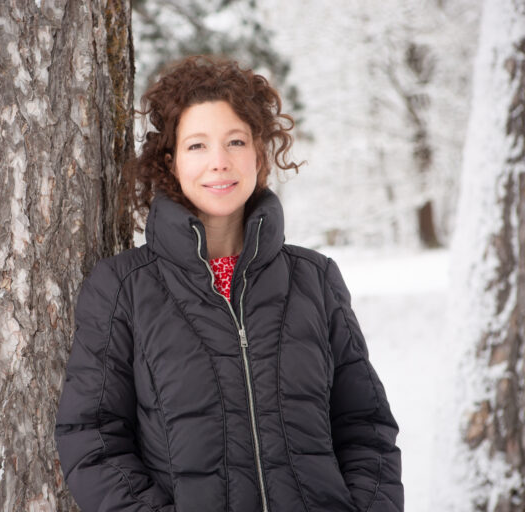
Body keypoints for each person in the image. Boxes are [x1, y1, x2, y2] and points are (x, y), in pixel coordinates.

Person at [55, 55, 403, 512]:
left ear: (259, 155)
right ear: (170, 161)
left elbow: (366, 428)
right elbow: (93, 438)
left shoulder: (315, 280)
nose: (219, 162)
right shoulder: (123, 288)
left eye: (235, 141)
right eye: (197, 145)